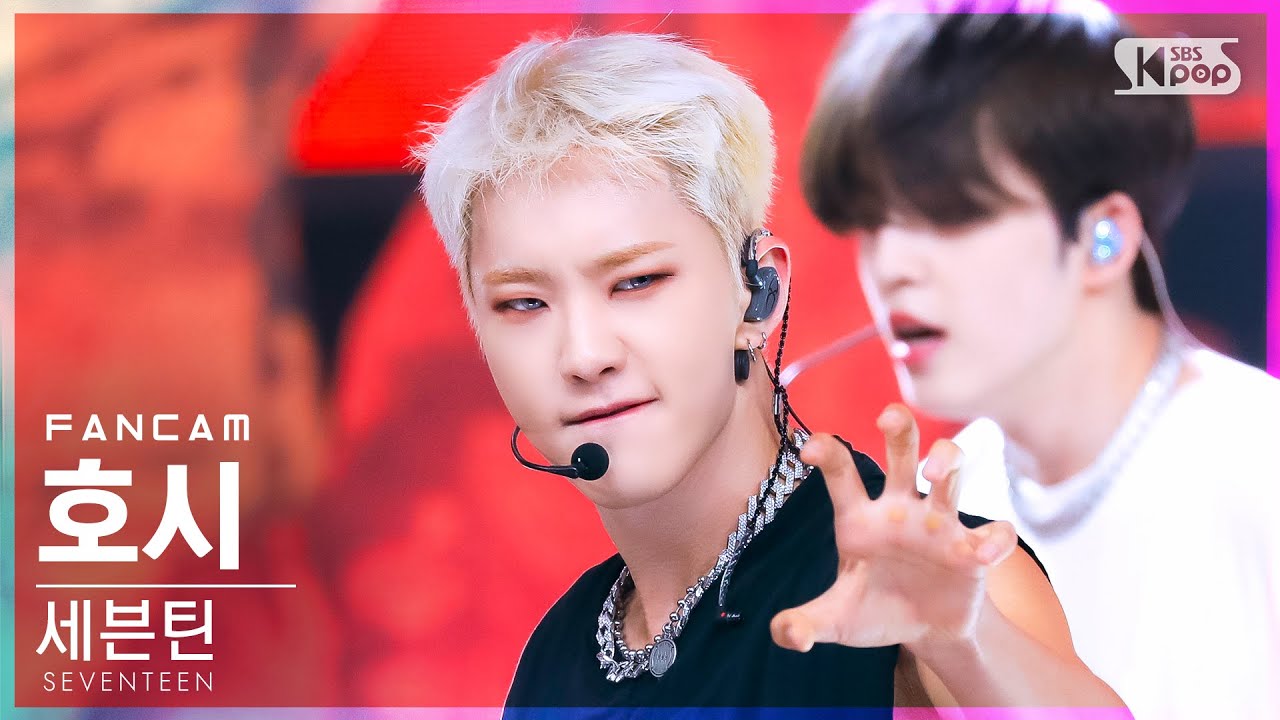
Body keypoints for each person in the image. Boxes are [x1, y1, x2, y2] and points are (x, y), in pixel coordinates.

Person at [413, 32, 1123, 713]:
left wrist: (969, 645)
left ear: (758, 292)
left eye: (636, 282)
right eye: (524, 303)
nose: (583, 354)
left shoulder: (922, 587)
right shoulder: (557, 654)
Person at [801, 5, 1280, 719]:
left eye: (948, 214)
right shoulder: (944, 503)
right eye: (872, 220)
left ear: (1103, 238)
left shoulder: (1258, 459)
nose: (892, 266)